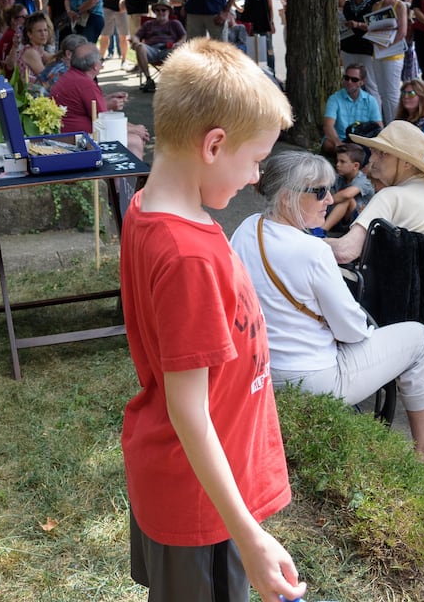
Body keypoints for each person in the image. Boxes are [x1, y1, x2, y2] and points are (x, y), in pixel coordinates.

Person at [116, 39, 302, 602]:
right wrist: (249, 537)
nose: (254, 179)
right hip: (199, 503)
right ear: (214, 144)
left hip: (201, 489)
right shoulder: (186, 254)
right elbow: (188, 411)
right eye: (254, 162)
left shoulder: (156, 205)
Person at [232, 151, 424, 487]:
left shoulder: (246, 230)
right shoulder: (313, 252)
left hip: (260, 368)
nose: (329, 199)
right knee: (417, 338)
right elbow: (352, 330)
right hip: (313, 378)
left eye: (330, 189)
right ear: (287, 197)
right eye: (319, 192)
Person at [325, 120, 424, 264]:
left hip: (388, 282)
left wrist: (305, 241)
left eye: (383, 153)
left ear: (406, 163)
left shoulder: (390, 196)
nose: (372, 159)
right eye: (373, 151)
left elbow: (345, 252)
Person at [50, 43, 149, 153]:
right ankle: (134, 170)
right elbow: (105, 122)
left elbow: (94, 108)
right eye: (101, 59)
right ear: (95, 66)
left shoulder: (72, 76)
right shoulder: (86, 83)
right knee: (136, 141)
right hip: (77, 139)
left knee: (135, 134)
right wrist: (136, 129)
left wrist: (107, 98)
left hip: (68, 134)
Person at [321, 62, 380, 157]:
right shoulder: (334, 98)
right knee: (328, 143)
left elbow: (378, 126)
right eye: (346, 78)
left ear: (362, 82)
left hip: (361, 141)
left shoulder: (371, 101)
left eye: (354, 79)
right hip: (340, 139)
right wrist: (338, 143)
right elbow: (328, 126)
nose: (349, 82)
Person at [129, 1, 185, 93]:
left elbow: (183, 36)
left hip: (168, 50)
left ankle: (170, 81)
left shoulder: (175, 23)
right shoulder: (148, 24)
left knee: (177, 49)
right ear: (154, 12)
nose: (161, 12)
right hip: (151, 50)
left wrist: (178, 43)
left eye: (163, 10)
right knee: (140, 47)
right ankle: (148, 79)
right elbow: (136, 36)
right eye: (158, 10)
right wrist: (135, 42)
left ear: (169, 12)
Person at [394, 78, 424, 174]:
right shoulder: (404, 119)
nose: (406, 97)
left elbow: (411, 149)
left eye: (411, 93)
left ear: (422, 97)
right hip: (408, 163)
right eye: (403, 93)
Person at [322, 142, 374, 233]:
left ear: (355, 166)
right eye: (337, 161)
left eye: (342, 162)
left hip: (355, 223)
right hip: (338, 219)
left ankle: (322, 230)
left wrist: (324, 201)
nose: (338, 164)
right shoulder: (340, 177)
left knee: (347, 200)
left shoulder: (364, 181)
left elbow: (346, 195)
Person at [339, 0, 381, 81]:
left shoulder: (375, 1)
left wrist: (358, 25)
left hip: (366, 47)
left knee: (369, 81)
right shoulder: (349, 3)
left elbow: (377, 24)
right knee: (350, 80)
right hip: (348, 46)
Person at [236, 0, 277, 69]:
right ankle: (252, 70)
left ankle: (271, 70)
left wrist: (271, 22)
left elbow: (270, 7)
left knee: (269, 48)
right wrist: (240, 9)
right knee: (251, 48)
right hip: (250, 22)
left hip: (264, 22)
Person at [16, 10, 56, 89]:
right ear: (29, 34)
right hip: (31, 96)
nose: (43, 34)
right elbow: (46, 78)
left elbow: (54, 58)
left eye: (45, 30)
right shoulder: (30, 52)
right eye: (39, 31)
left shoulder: (38, 49)